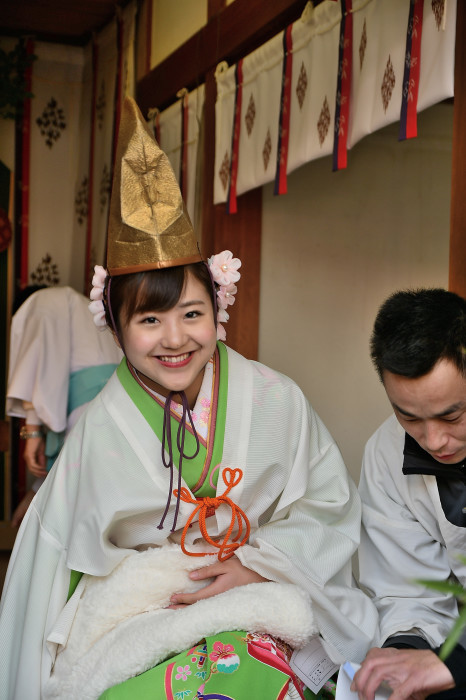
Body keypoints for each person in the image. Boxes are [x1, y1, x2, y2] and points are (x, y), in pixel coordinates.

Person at [0, 97, 378, 700]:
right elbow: (55, 564)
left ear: (218, 308)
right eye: (149, 320)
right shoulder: (100, 427)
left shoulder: (277, 400)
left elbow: (326, 508)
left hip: (255, 595)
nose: (175, 339)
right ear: (116, 327)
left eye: (192, 313)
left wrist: (259, 568)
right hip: (137, 619)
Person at [352, 289, 466, 700]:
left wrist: (456, 667)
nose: (434, 440)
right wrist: (406, 654)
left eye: (451, 415)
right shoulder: (385, 452)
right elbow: (405, 589)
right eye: (409, 416)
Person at [6, 284, 123, 525]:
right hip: (118, 407)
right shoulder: (86, 311)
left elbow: (41, 365)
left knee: (76, 514)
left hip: (87, 414)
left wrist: (33, 431)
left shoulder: (44, 301)